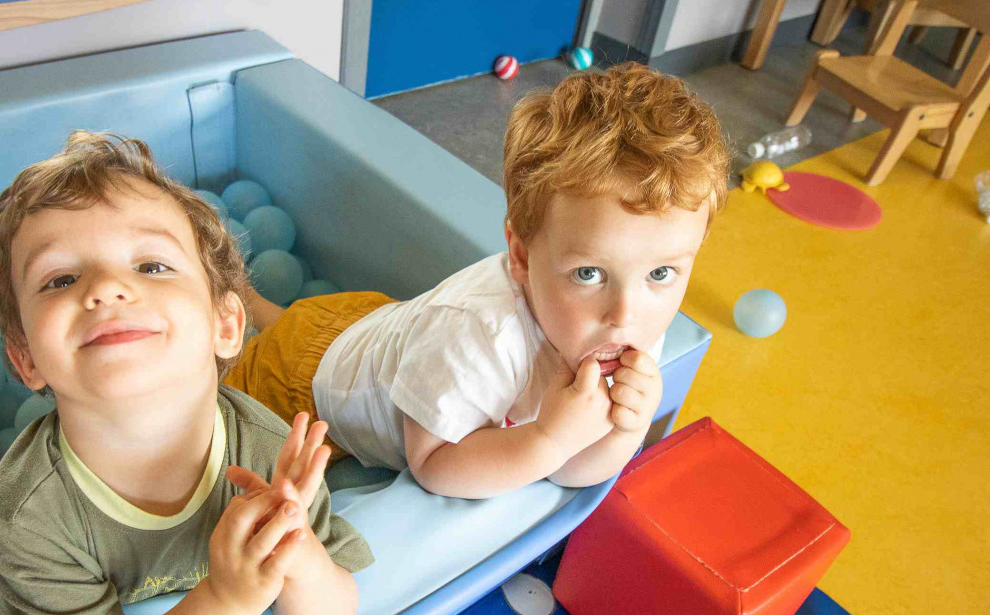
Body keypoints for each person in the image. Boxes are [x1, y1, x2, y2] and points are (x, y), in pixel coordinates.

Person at [0, 130, 372, 615]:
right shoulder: (23, 516)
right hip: (26, 531)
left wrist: (296, 553)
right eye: (60, 279)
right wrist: (227, 599)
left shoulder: (270, 452)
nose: (107, 288)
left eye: (151, 265)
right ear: (26, 358)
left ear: (226, 325)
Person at [226, 63, 731, 499]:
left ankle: (248, 301)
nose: (625, 313)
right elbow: (433, 465)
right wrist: (547, 440)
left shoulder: (634, 323)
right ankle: (234, 297)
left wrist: (622, 431)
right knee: (219, 413)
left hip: (377, 335)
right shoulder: (476, 336)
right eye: (588, 274)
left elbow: (569, 470)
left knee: (285, 321)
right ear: (521, 255)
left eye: (661, 273)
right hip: (308, 388)